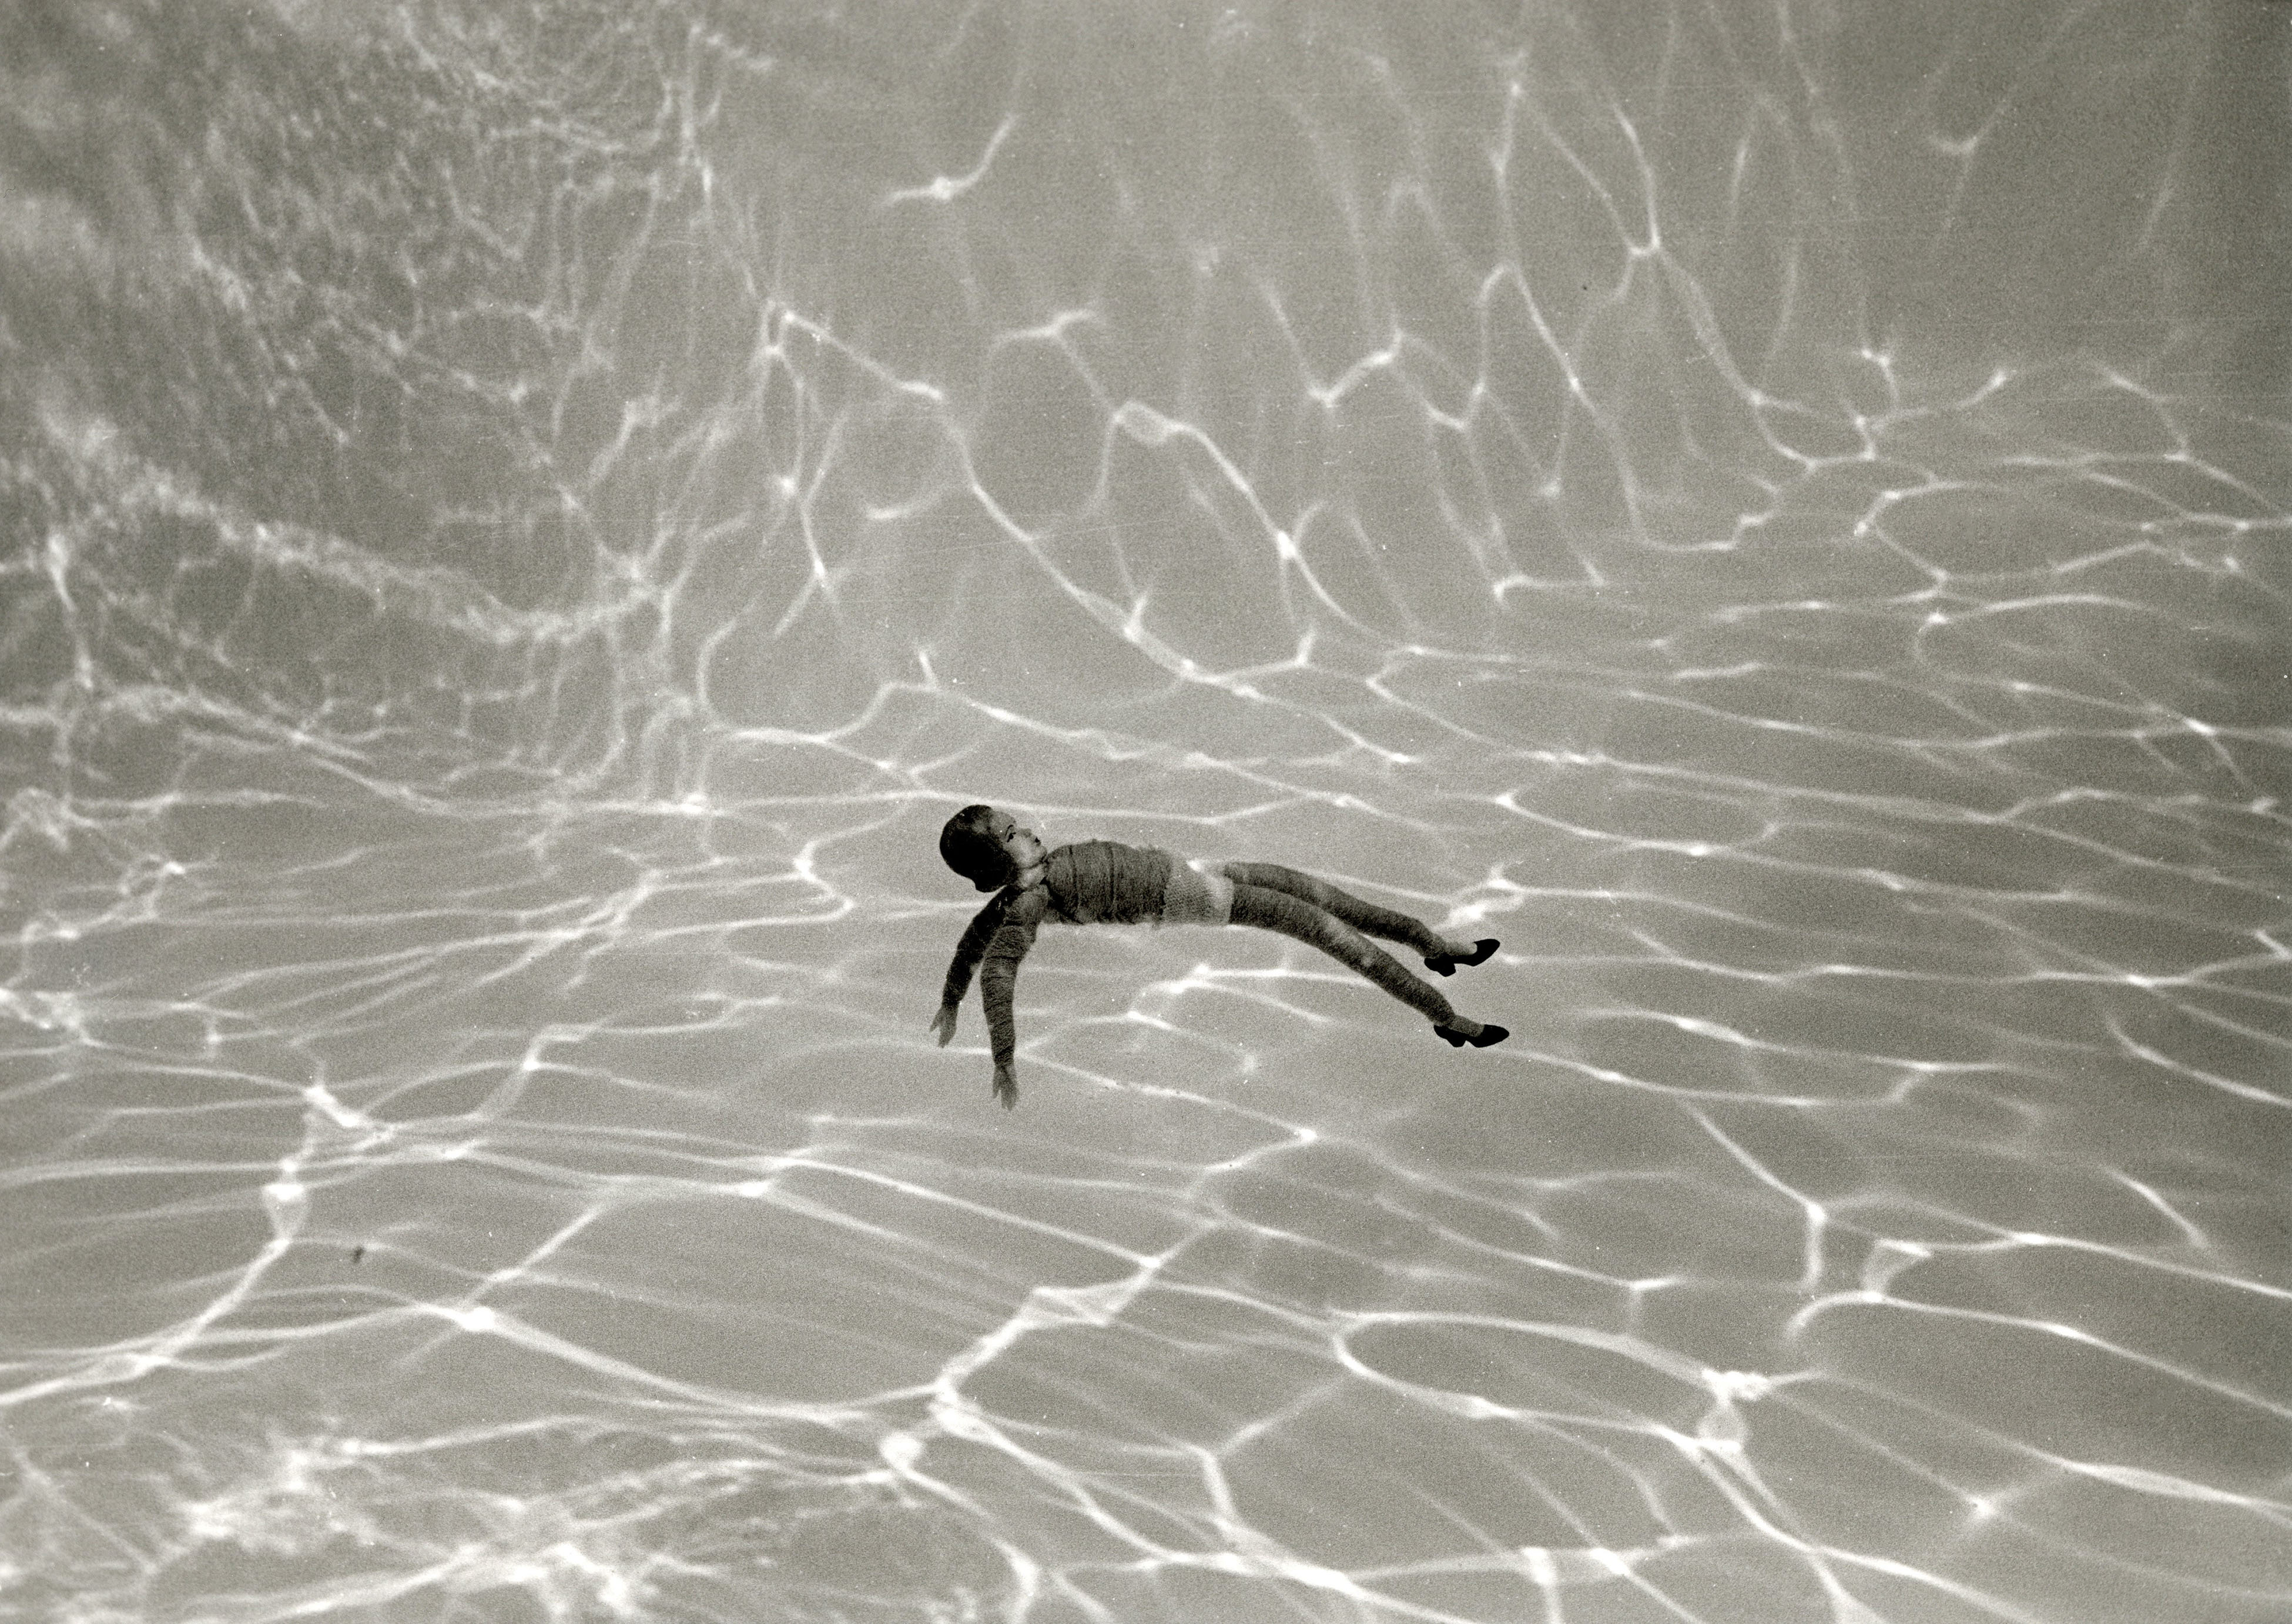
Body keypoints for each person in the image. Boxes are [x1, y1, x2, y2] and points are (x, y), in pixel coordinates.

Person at [930, 804, 1507, 1108]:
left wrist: (951, 999)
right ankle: (1448, 1018)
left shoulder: (1023, 889)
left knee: (1336, 902)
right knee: (1342, 939)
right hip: (1215, 899)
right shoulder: (1028, 903)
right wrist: (1004, 1057)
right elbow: (998, 970)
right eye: (1010, 834)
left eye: (1016, 824)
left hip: (1206, 874)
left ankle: (1435, 947)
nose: (1027, 830)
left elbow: (972, 943)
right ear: (996, 865)